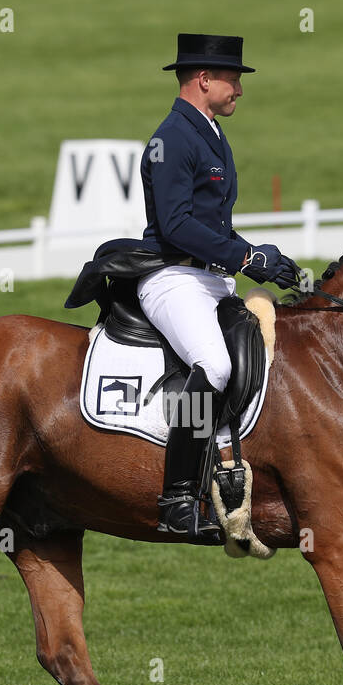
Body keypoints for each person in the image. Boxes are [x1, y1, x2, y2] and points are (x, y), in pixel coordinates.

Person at [139, 33, 300, 539]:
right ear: (204, 79)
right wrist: (247, 258)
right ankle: (177, 500)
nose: (239, 90)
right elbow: (177, 225)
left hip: (207, 277)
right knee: (215, 363)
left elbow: (215, 227)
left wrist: (261, 256)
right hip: (171, 277)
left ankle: (229, 472)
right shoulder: (172, 137)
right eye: (232, 79)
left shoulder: (208, 131)